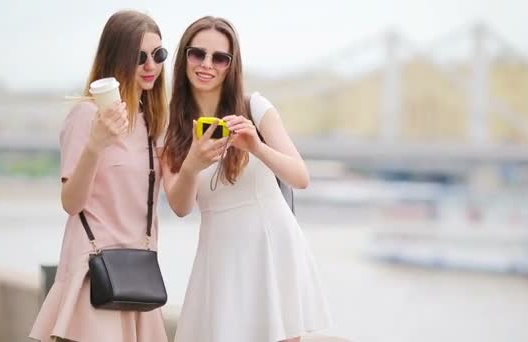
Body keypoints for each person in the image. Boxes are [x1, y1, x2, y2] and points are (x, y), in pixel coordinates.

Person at [162, 16, 332, 342]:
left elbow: (300, 177)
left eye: (219, 57)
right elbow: (181, 207)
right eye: (197, 54)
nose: (207, 65)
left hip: (270, 244)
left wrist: (256, 146)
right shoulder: (173, 130)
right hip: (219, 255)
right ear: (184, 56)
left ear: (231, 64)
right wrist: (191, 166)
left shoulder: (254, 106)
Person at [30, 10, 170, 342]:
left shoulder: (154, 124)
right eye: (140, 57)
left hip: (138, 277)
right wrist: (96, 144)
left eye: (159, 55)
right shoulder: (87, 115)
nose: (151, 66)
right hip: (91, 276)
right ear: (116, 58)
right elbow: (71, 202)